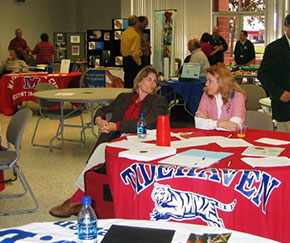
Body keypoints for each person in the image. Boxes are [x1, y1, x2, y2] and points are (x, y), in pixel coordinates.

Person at [49, 66, 168, 218]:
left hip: (138, 140)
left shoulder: (158, 101)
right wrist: (99, 120)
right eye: (149, 79)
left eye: (155, 81)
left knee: (102, 150)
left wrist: (115, 126)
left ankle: (75, 200)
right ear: (139, 81)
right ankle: (82, 199)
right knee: (101, 152)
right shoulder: (124, 97)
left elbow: (149, 122)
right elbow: (104, 109)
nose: (152, 84)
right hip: (116, 136)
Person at [195, 63, 246, 131]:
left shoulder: (238, 97)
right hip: (211, 137)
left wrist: (208, 121)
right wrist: (219, 123)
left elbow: (234, 127)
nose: (206, 84)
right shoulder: (206, 94)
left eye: (210, 81)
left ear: (221, 82)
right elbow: (198, 123)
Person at [121, 15, 142, 88]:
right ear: (137, 23)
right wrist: (139, 62)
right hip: (132, 61)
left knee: (127, 81)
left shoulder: (125, 33)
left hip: (125, 60)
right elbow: (134, 52)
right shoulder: (135, 35)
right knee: (134, 83)